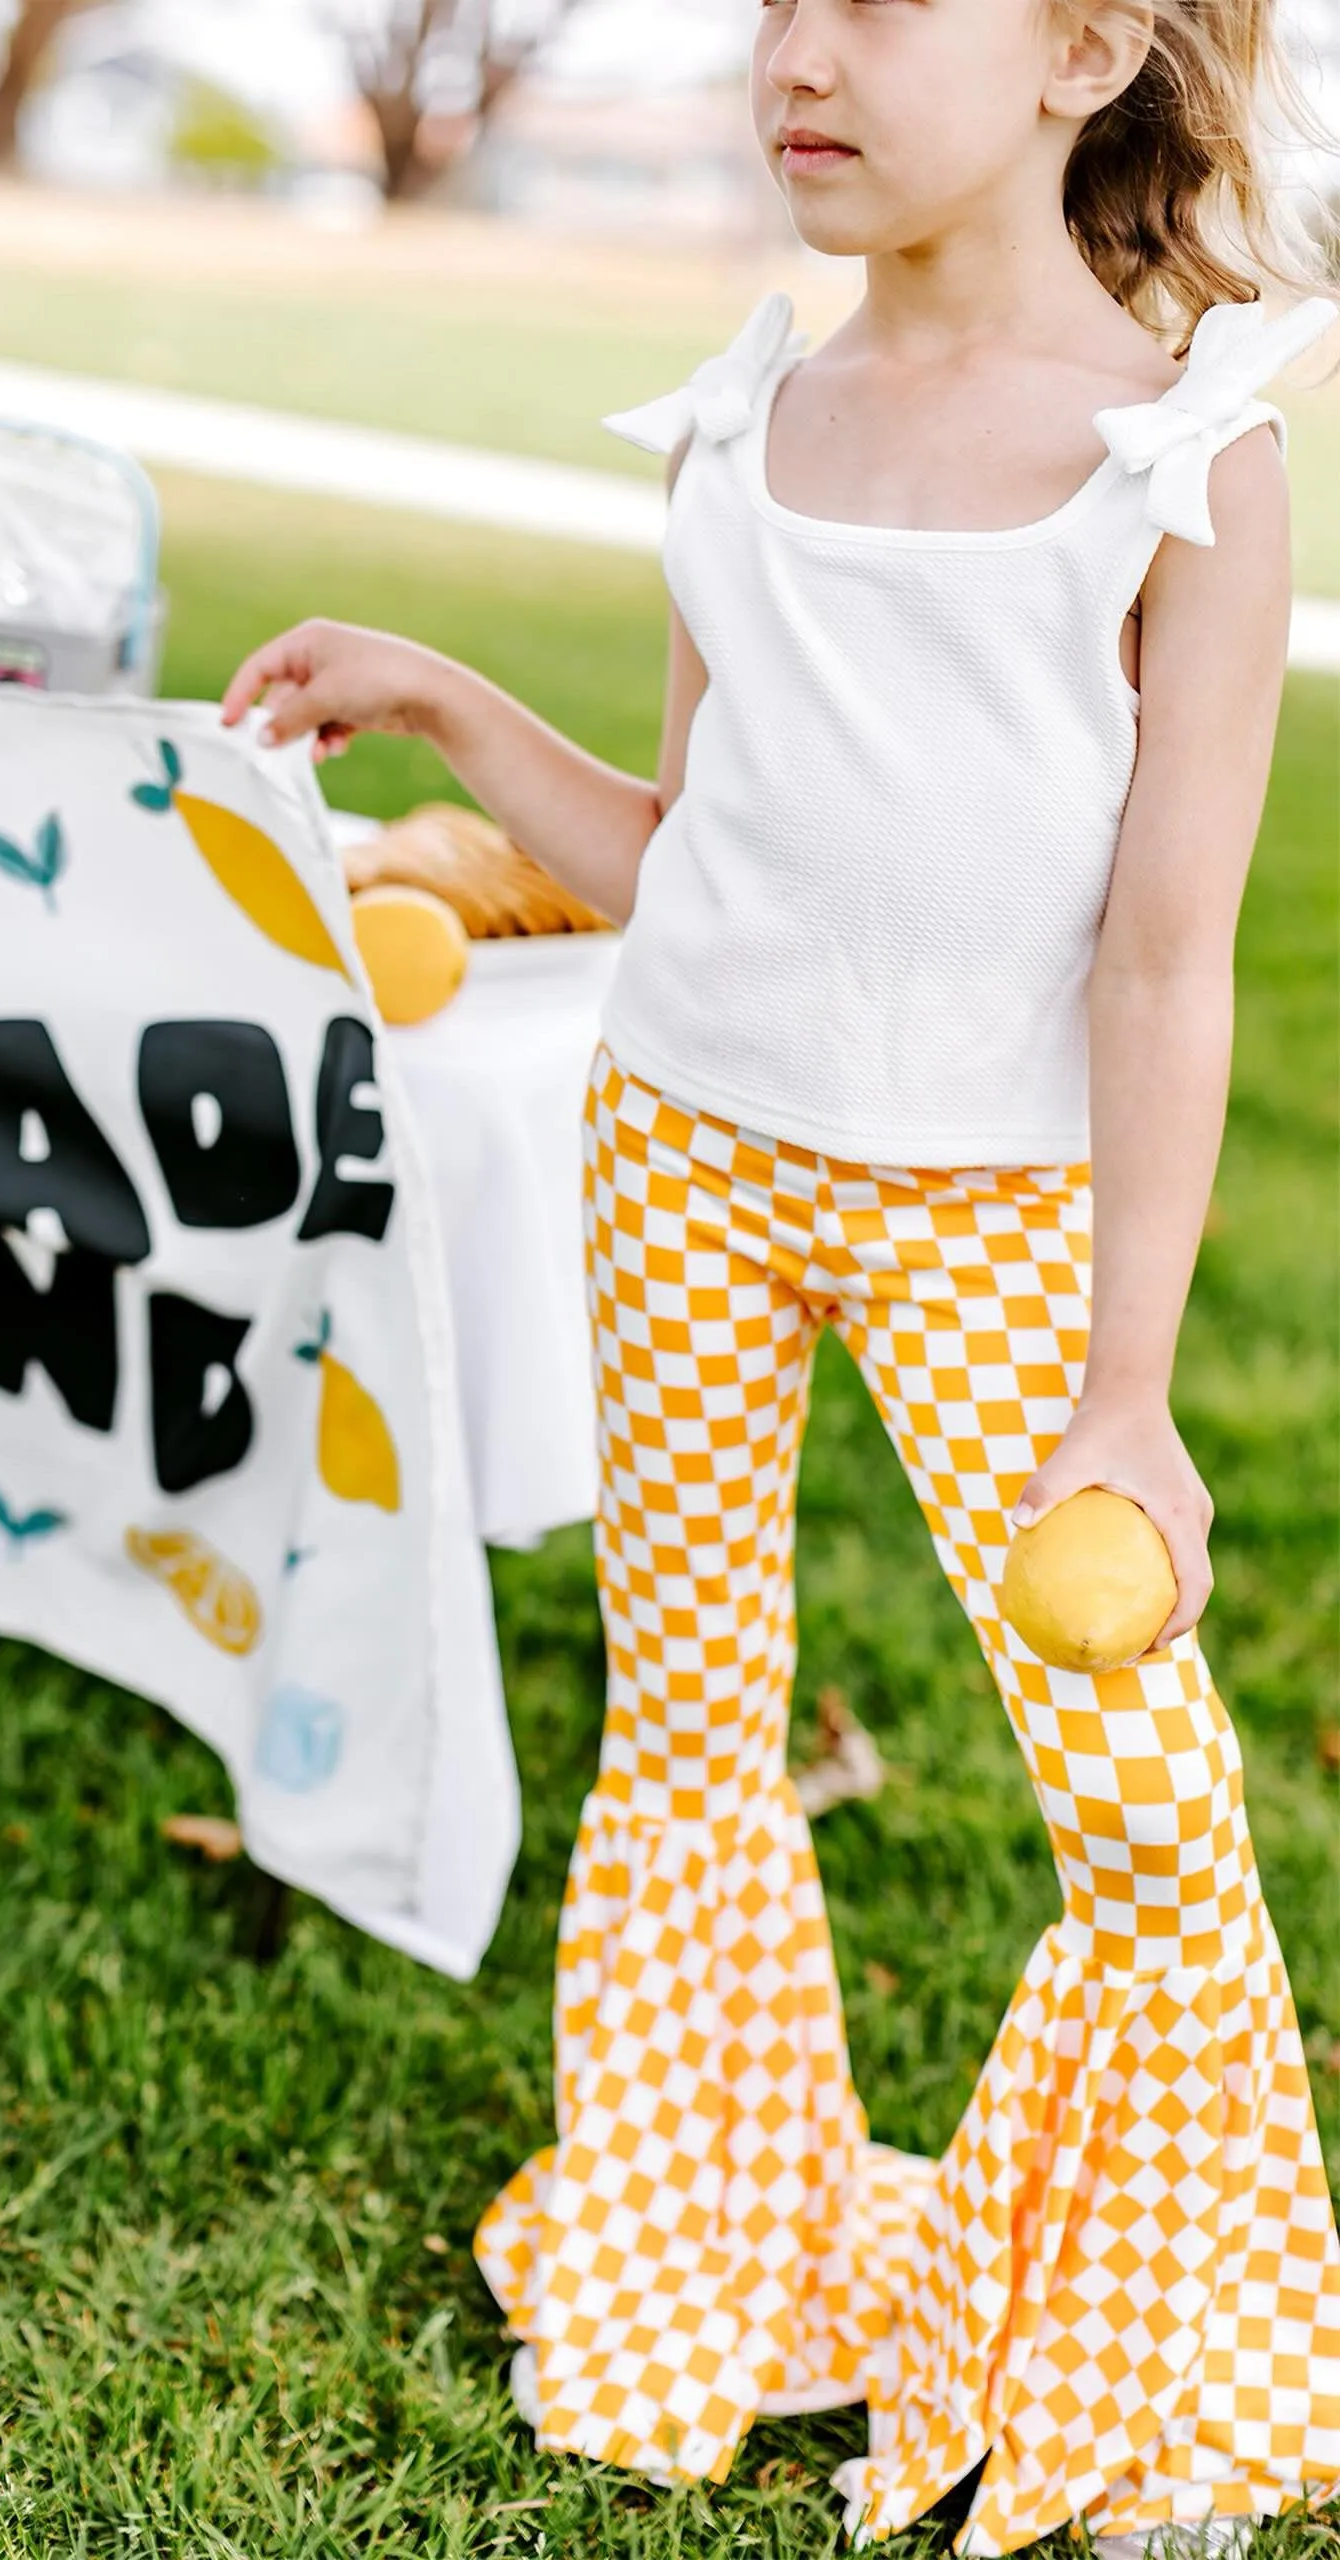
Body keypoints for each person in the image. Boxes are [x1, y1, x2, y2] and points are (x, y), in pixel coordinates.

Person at [220, 1, 1340, 2546]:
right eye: (775, 3)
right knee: (694, 1732)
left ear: (1082, 51)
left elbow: (1169, 971)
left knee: (1146, 1803)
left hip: (993, 1214)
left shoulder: (1180, 463)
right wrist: (441, 697)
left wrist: (1130, 1391)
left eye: (876, 0)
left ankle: (1168, 2368)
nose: (796, 53)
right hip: (688, 1162)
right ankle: (687, 2258)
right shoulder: (754, 418)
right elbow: (683, 854)